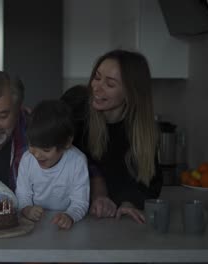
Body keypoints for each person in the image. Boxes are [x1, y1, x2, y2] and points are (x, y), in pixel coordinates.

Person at [61, 49, 162, 224]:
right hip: (70, 217)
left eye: (110, 84)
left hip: (115, 224)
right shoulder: (75, 109)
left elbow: (150, 184)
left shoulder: (142, 133)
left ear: (131, 93)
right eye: (97, 77)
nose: (97, 87)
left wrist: (129, 202)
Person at [15, 100, 89, 230]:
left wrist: (70, 216)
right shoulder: (27, 159)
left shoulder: (77, 162)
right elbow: (23, 194)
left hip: (63, 227)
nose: (37, 155)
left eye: (46, 150)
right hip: (34, 226)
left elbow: (80, 201)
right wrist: (26, 209)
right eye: (32, 145)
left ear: (67, 143)